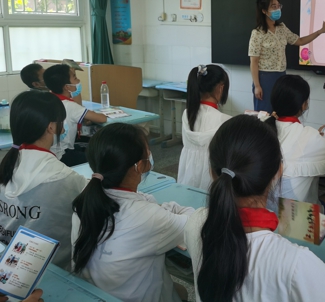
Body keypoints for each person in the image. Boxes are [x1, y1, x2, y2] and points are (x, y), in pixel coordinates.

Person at [183, 115, 325, 302]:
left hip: (282, 215)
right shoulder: (294, 263)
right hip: (291, 218)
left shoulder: (196, 224)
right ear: (279, 171)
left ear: (212, 172)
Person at [71, 123, 194, 302]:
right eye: (148, 151)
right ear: (139, 166)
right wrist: (168, 209)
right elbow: (193, 223)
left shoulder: (86, 198)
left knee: (178, 289)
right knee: (181, 291)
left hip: (94, 294)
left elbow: (142, 203)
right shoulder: (147, 217)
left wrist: (159, 210)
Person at [0, 92, 87, 270]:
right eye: (61, 122)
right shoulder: (66, 178)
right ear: (50, 127)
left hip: (8, 263)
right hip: (53, 269)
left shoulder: (7, 165)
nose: (63, 128)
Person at [264, 75, 325, 213]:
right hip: (294, 219)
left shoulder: (263, 128)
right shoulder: (308, 135)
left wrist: (315, 139)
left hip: (264, 211)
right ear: (304, 104)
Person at [249, 0, 325, 112]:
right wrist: (257, 85)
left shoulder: (282, 28)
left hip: (281, 76)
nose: (277, 9)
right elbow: (254, 62)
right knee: (265, 114)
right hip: (265, 78)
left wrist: (319, 32)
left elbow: (300, 41)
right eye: (273, 6)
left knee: (280, 111)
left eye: (279, 6)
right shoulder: (257, 33)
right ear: (264, 11)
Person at [177, 64, 231, 190]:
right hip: (211, 179)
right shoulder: (224, 120)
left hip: (187, 177)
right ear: (221, 88)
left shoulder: (187, 114)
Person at [43, 64, 107, 167]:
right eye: (75, 78)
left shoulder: (48, 99)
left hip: (50, 152)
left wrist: (85, 117)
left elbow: (76, 111)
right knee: (98, 158)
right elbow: (102, 118)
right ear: (67, 87)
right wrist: (92, 115)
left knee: (82, 148)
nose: (78, 81)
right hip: (62, 154)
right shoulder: (69, 105)